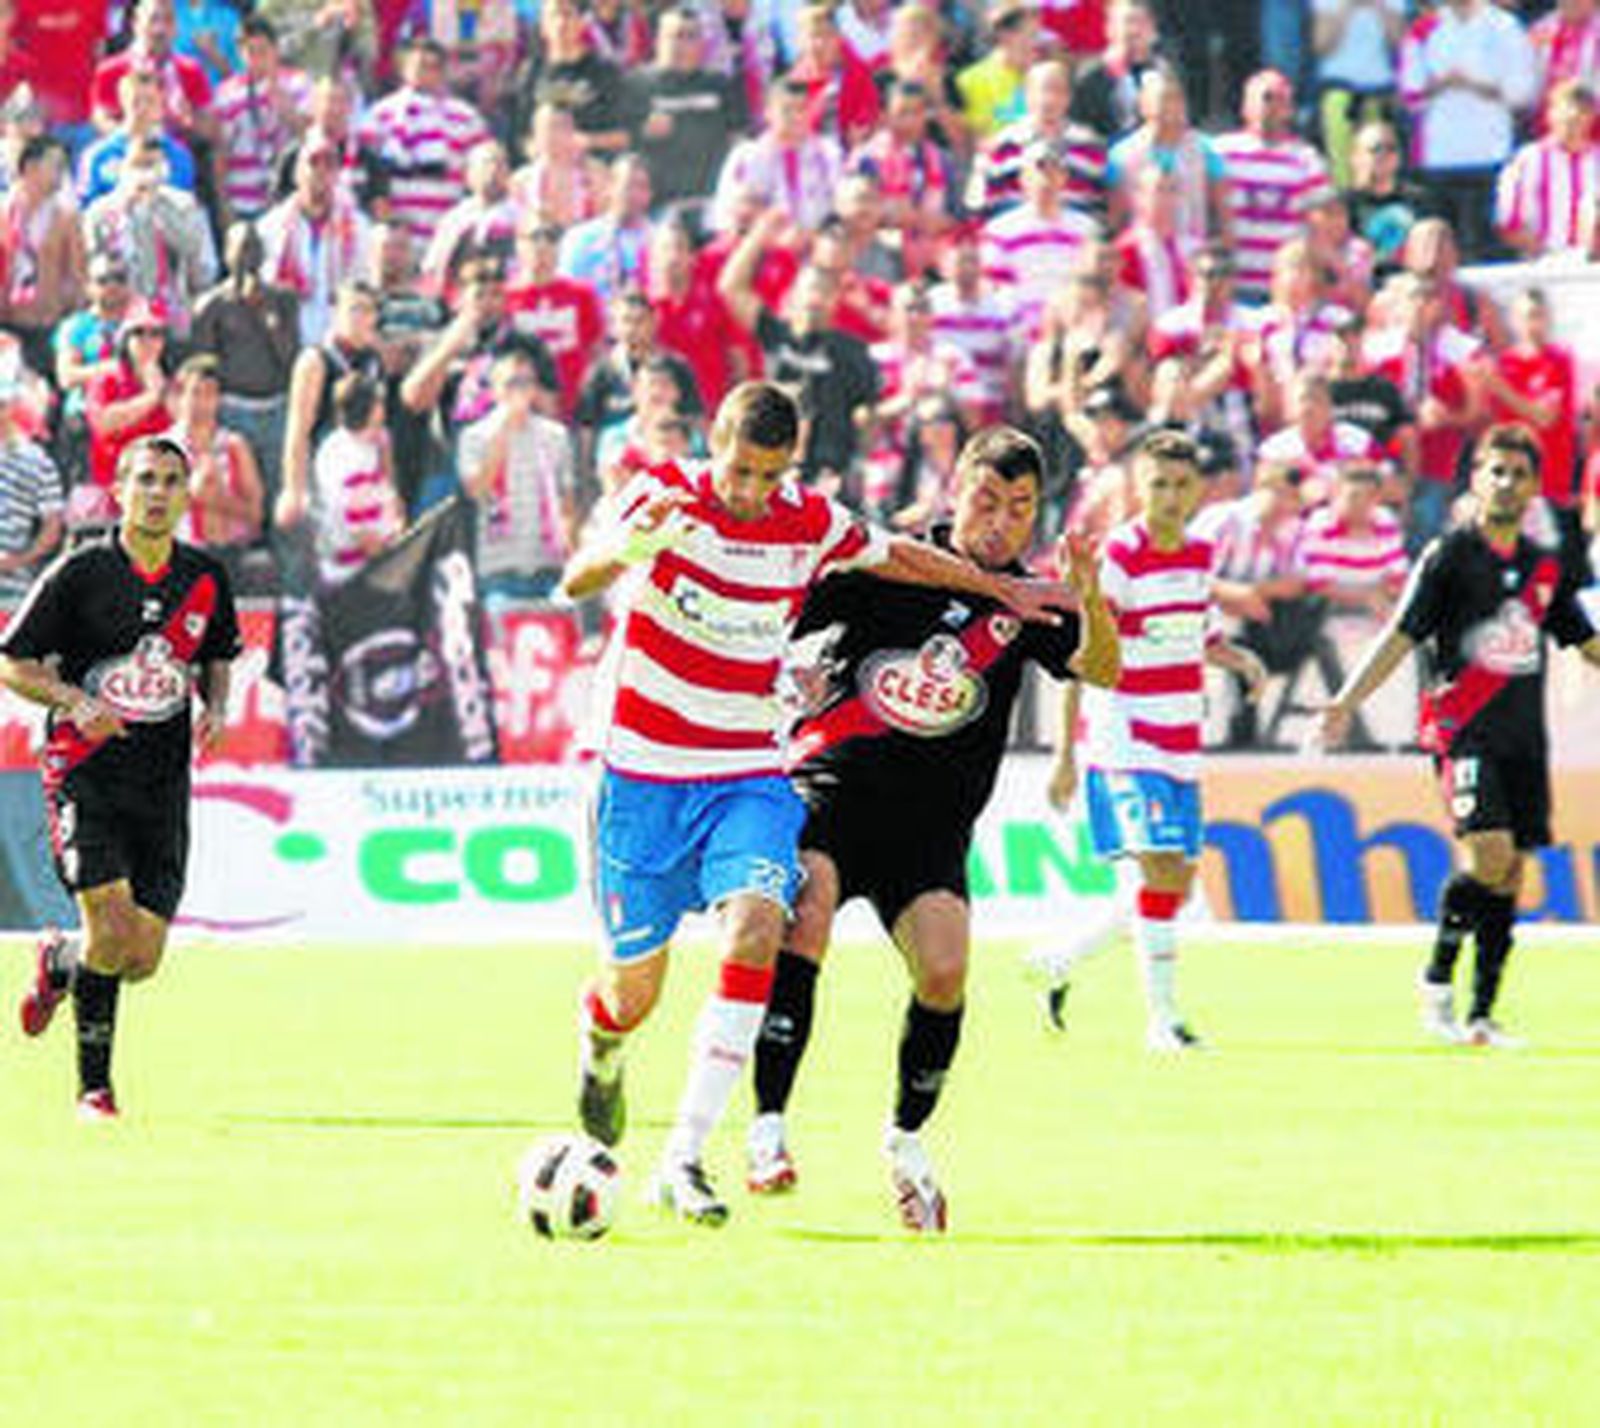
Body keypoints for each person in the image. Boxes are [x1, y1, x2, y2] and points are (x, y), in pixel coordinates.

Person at [560, 380, 1073, 1226]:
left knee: (762, 923)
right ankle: (604, 1042)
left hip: (743, 769)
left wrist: (1006, 594)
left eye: (770, 475)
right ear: (712, 445)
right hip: (642, 774)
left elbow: (901, 555)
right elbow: (575, 581)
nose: (752, 493)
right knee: (633, 993)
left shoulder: (809, 519)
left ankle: (683, 1159)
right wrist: (625, 547)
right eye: (739, 472)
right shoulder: (663, 494)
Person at [745, 426, 1120, 1229]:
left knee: (945, 974)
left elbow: (1105, 670)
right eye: (989, 499)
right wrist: (783, 680)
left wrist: (1086, 594)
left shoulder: (1033, 599)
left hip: (932, 829)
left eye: (1021, 508)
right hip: (836, 790)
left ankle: (905, 1145)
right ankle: (767, 1128)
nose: (1002, 522)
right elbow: (782, 617)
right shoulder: (891, 561)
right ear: (956, 490)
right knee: (804, 914)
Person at [1319, 423, 1600, 1046]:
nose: (1505, 482)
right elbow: (1400, 633)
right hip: (1463, 731)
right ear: (1475, 478)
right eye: (1494, 470)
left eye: (1517, 473)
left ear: (1532, 488)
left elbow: (1587, 644)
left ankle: (1480, 1016)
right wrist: (1346, 700)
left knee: (1511, 873)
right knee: (1489, 855)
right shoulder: (1447, 556)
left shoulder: (1542, 570)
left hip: (1525, 739)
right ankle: (1437, 980)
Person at [2, 433, 241, 1120]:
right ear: (120, 490)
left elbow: (218, 650)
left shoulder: (203, 576)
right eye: (145, 479)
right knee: (110, 925)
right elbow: (12, 662)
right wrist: (77, 702)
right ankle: (94, 1091)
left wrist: (216, 704)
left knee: (140, 956)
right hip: (85, 774)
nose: (158, 492)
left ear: (186, 494)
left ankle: (59, 964)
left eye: (171, 480)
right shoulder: (80, 574)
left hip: (162, 784)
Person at [1031, 429, 1267, 1047]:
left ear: (1198, 491)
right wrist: (1063, 756)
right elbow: (1089, 655)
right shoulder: (1120, 556)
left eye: (1180, 484)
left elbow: (1196, 637)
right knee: (1162, 872)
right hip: (1125, 738)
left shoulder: (1196, 554)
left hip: (1181, 738)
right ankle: (1163, 1024)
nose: (1168, 494)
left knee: (1169, 886)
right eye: (1157, 483)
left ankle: (1061, 960)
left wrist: (1237, 660)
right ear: (1138, 486)